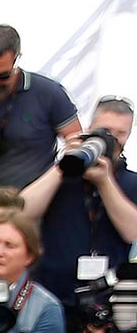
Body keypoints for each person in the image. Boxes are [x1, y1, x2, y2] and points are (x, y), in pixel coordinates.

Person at [20, 96, 137, 306]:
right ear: (90, 128)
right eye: (106, 130)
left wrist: (105, 182)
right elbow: (22, 211)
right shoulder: (59, 176)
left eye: (121, 134)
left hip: (106, 294)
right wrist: (64, 165)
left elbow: (132, 232)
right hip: (50, 292)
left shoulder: (131, 182)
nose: (112, 140)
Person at [0, 24, 80, 197]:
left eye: (2, 76)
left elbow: (77, 141)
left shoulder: (48, 93)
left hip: (37, 208)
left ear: (17, 61)